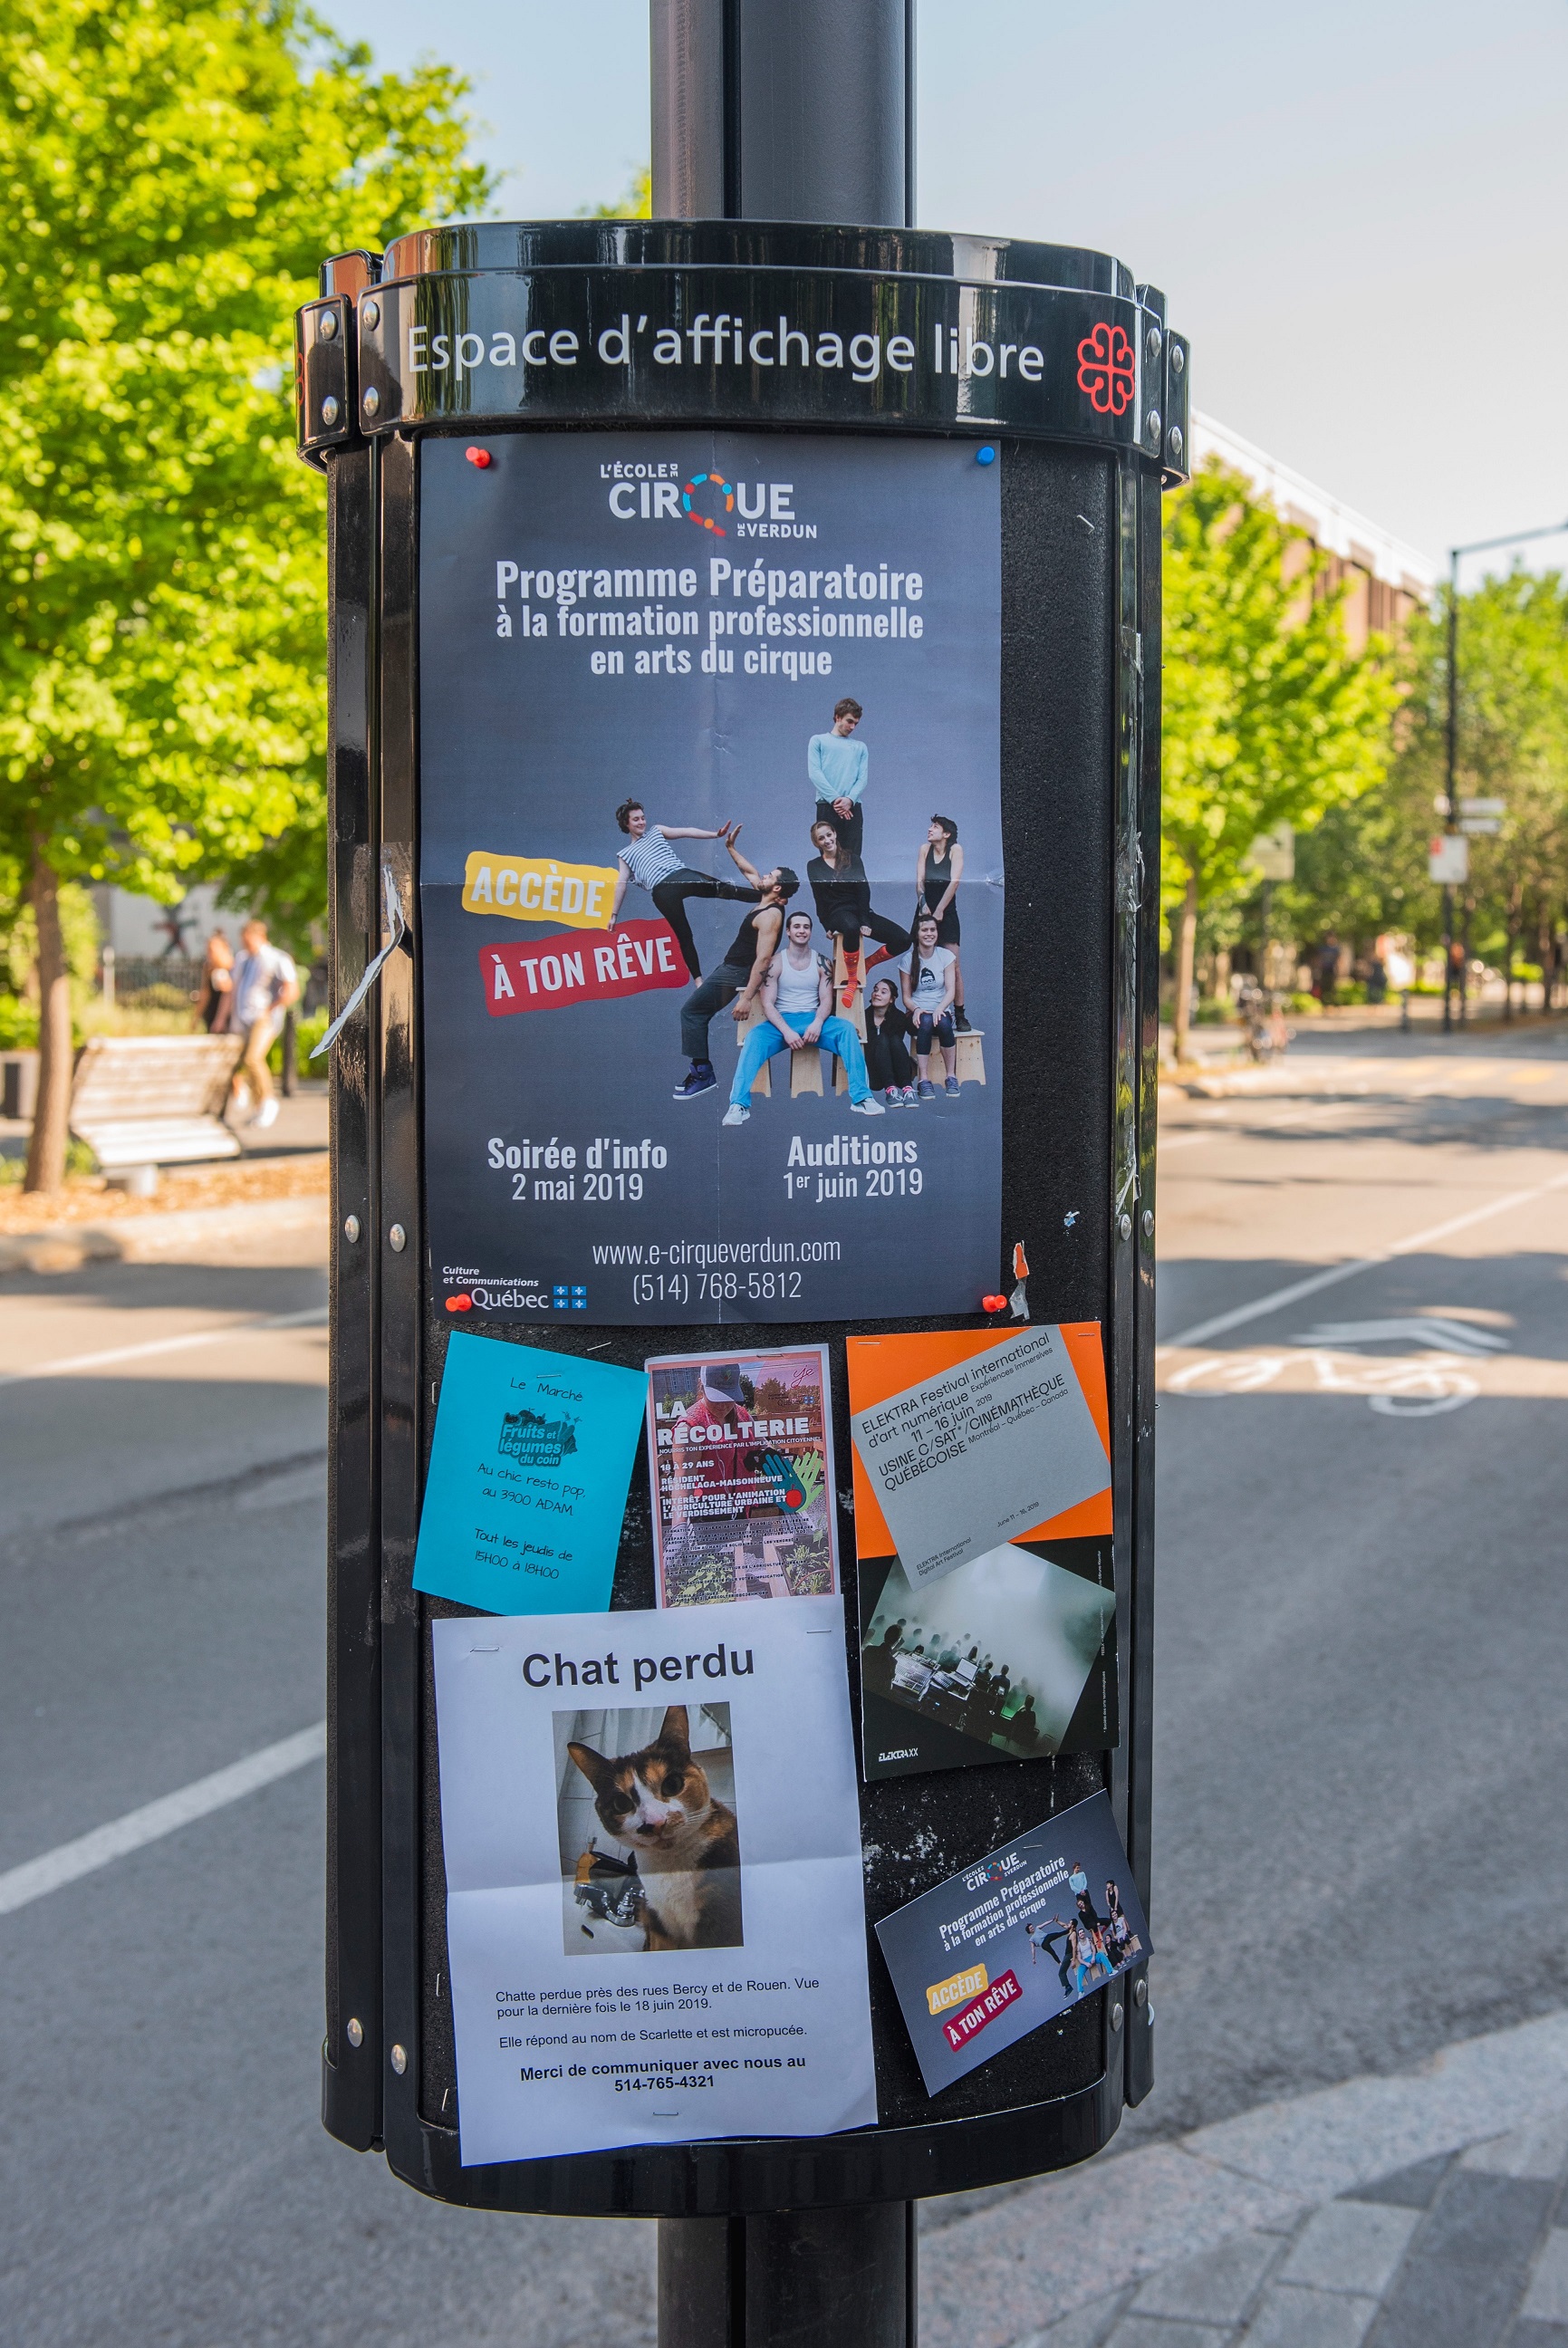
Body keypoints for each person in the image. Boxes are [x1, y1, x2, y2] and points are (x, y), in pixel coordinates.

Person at [723, 909, 885, 1124]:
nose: (802, 930)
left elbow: (827, 1001)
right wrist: (787, 1032)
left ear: (810, 931)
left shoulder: (822, 962)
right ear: (788, 932)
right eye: (797, 927)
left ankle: (862, 1099)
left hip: (813, 1020)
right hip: (782, 1023)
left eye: (806, 927)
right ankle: (739, 1105)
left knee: (846, 1030)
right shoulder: (774, 962)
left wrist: (817, 1023)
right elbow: (768, 1003)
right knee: (753, 1039)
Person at [672, 831, 798, 1099]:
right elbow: (749, 871)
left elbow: (763, 960)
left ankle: (703, 1073)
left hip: (737, 973)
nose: (763, 876)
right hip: (730, 968)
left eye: (770, 876)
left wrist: (746, 998)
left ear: (777, 888)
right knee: (697, 1013)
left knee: (691, 1011)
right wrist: (730, 847)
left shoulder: (771, 915)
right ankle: (699, 1070)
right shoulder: (764, 899)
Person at [610, 799, 755, 981]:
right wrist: (614, 914)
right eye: (636, 820)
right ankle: (698, 981)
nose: (641, 822)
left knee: (722, 889)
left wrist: (715, 834)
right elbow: (621, 883)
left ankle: (765, 895)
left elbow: (686, 832)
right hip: (662, 891)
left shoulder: (656, 831)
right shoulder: (625, 854)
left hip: (680, 876)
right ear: (626, 824)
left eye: (642, 818)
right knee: (684, 935)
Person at [806, 819, 910, 1010]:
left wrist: (865, 920)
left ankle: (867, 963)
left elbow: (863, 890)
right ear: (816, 843)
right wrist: (826, 925)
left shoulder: (852, 858)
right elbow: (818, 898)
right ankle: (852, 979)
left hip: (860, 910)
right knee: (851, 927)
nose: (827, 840)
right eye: (821, 838)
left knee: (904, 939)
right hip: (838, 913)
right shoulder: (813, 866)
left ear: (835, 834)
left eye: (829, 835)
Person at [228, 918, 298, 1130]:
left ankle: (268, 1101)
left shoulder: (276, 958)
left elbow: (291, 990)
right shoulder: (243, 959)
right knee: (242, 1062)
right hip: (243, 1017)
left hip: (263, 1018)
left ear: (259, 937)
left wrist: (271, 1008)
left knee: (253, 1058)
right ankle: (257, 1105)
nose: (245, 944)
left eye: (248, 940)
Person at [915, 815, 971, 1030]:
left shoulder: (955, 849)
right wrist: (923, 905)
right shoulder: (924, 849)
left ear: (946, 834)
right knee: (921, 963)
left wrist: (939, 910)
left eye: (935, 827)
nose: (930, 829)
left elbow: (954, 883)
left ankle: (960, 1014)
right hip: (925, 911)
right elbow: (919, 882)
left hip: (946, 913)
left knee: (953, 965)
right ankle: (922, 1012)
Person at [897, 914, 959, 1099]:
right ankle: (924, 1080)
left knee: (944, 1024)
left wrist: (940, 1008)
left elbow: (951, 991)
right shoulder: (908, 960)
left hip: (940, 1008)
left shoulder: (946, 956)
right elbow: (906, 997)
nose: (929, 934)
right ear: (917, 934)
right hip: (917, 1012)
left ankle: (951, 1076)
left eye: (933, 930)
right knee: (925, 1022)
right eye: (925, 930)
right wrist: (915, 1009)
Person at [807, 697, 868, 858]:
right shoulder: (818, 741)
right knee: (828, 857)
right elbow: (815, 773)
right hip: (827, 806)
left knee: (853, 858)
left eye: (856, 723)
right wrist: (835, 800)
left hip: (852, 808)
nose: (853, 727)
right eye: (849, 721)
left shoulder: (860, 747)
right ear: (837, 717)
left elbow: (862, 779)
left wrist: (849, 800)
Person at [863, 977, 917, 1107]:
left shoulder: (899, 1018)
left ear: (891, 999)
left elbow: (898, 1048)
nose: (877, 994)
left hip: (899, 1072)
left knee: (894, 1039)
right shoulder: (863, 1016)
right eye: (875, 990)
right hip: (874, 1074)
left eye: (883, 992)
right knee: (882, 1039)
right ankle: (890, 1090)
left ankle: (907, 1090)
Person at [197, 929, 234, 1034]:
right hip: (212, 1013)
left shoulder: (232, 968)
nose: (209, 954)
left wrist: (220, 1019)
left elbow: (229, 993)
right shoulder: (209, 968)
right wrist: (196, 1017)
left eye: (211, 950)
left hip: (226, 1016)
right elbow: (205, 993)